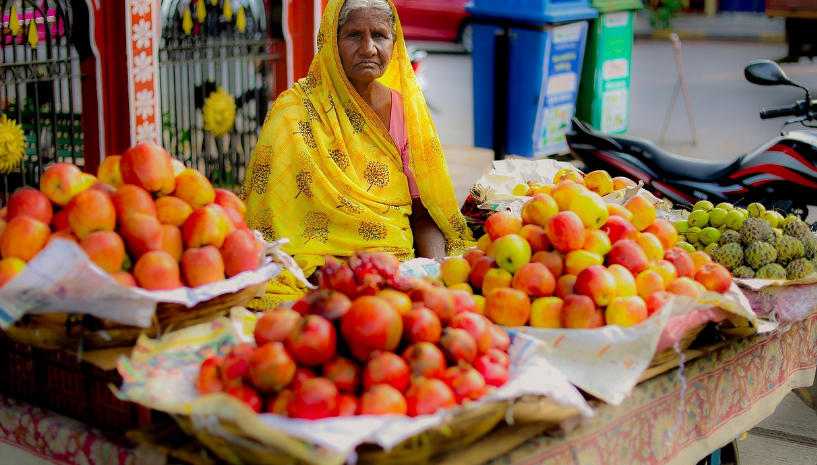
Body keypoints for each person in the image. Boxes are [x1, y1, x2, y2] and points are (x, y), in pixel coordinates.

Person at [242, 0, 474, 309]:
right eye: (353, 35)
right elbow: (265, 225)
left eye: (379, 35)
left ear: (394, 42)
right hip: (318, 277)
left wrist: (434, 273)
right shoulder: (292, 112)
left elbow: (423, 211)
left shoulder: (405, 113)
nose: (368, 48)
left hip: (393, 270)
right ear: (330, 42)